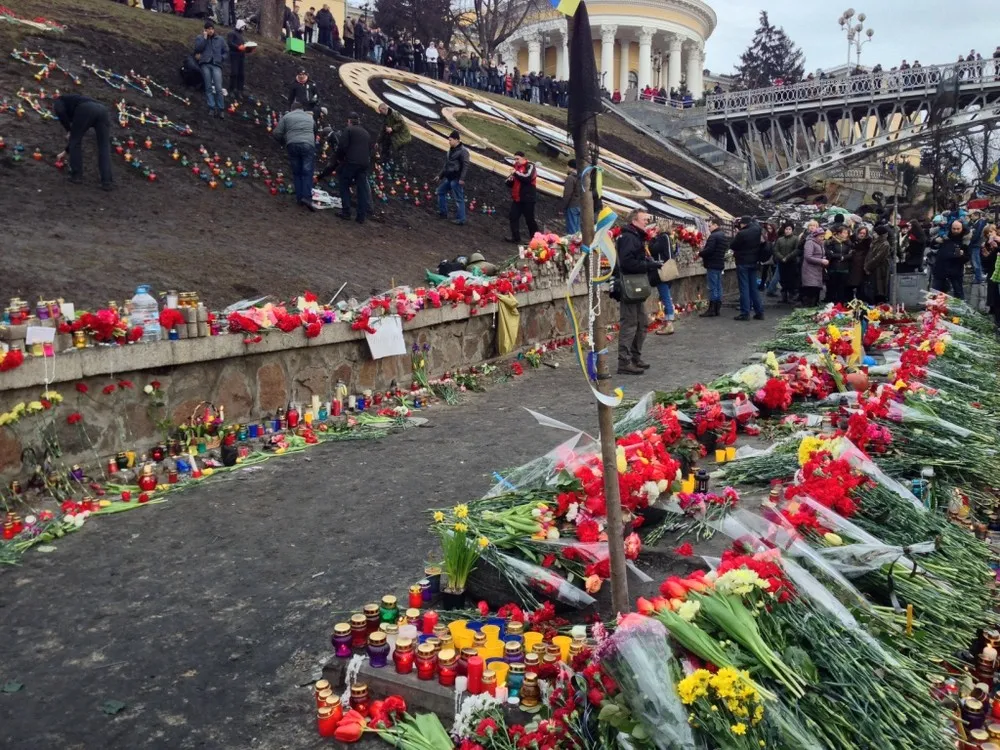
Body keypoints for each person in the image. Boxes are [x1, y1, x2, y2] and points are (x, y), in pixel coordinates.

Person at [613, 210, 661, 375]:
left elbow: (635, 258)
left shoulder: (635, 236)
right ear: (634, 220)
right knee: (630, 324)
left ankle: (635, 357)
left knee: (642, 323)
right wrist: (648, 265)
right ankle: (624, 361)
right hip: (629, 285)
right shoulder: (628, 237)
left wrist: (649, 262)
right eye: (644, 219)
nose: (647, 222)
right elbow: (627, 263)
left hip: (636, 285)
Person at [53, 94, 113, 190]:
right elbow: (75, 135)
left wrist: (68, 129)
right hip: (103, 110)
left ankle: (76, 176)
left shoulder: (59, 101)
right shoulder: (75, 100)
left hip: (86, 109)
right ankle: (107, 182)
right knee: (104, 145)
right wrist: (65, 151)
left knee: (76, 142)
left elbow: (60, 111)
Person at [273, 101, 316, 210]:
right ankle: (307, 197)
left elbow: (277, 133)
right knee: (307, 171)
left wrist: (284, 142)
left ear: (292, 109)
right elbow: (315, 130)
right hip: (308, 145)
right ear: (302, 109)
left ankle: (299, 198)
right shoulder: (309, 118)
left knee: (297, 172)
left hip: (292, 145)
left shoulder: (287, 117)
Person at [336, 112, 371, 224]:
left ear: (349, 121)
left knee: (344, 182)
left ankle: (346, 212)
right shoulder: (366, 133)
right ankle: (361, 216)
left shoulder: (349, 130)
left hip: (352, 162)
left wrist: (340, 159)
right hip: (364, 163)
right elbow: (370, 149)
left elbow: (342, 145)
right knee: (362, 188)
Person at [730, 216, 765, 320]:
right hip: (754, 262)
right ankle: (759, 312)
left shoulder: (742, 233)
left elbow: (733, 245)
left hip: (743, 262)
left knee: (744, 288)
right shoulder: (757, 230)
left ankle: (745, 312)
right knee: (753, 288)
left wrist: (737, 234)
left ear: (743, 224)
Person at [193, 21, 227, 117]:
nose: (210, 31)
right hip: (205, 64)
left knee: (218, 87)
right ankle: (211, 107)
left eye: (212, 29)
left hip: (216, 64)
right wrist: (204, 38)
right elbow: (198, 49)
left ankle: (221, 109)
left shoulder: (220, 39)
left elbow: (226, 51)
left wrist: (222, 58)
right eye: (208, 29)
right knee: (208, 87)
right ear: (205, 30)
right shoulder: (200, 38)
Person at [649, 220, 676, 335]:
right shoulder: (668, 237)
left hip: (662, 272)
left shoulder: (662, 237)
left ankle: (669, 323)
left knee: (666, 297)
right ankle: (667, 321)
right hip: (667, 270)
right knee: (666, 296)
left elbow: (653, 250)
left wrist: (652, 238)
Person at [697, 216, 728, 317]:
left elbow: (709, 250)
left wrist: (700, 253)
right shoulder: (722, 235)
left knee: (712, 287)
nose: (709, 228)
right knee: (718, 286)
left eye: (710, 226)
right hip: (719, 263)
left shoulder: (714, 236)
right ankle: (717, 309)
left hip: (712, 264)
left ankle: (712, 309)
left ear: (715, 225)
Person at [437, 131, 469, 225]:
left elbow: (466, 165)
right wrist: (440, 175)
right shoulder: (451, 149)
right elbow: (446, 165)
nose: (449, 142)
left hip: (457, 179)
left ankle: (461, 219)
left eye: (450, 140)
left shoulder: (463, 151)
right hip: (449, 177)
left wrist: (462, 179)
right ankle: (443, 213)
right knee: (440, 191)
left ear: (456, 140)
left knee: (459, 198)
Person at [505, 151, 538, 243]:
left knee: (530, 219)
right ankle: (516, 238)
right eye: (515, 159)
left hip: (528, 198)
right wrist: (509, 180)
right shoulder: (516, 167)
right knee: (513, 216)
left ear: (523, 158)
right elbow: (513, 181)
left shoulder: (530, 166)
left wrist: (515, 173)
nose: (516, 161)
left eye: (517, 159)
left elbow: (528, 177)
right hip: (517, 197)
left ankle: (536, 240)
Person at [932, 220, 969, 299]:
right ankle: (934, 309)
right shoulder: (945, 235)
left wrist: (962, 255)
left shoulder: (964, 240)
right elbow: (932, 245)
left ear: (962, 228)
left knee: (958, 292)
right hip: (940, 269)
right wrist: (935, 241)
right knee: (935, 292)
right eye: (954, 228)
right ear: (951, 228)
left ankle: (959, 309)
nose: (955, 231)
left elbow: (967, 257)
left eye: (958, 229)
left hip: (955, 270)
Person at [771, 222, 800, 304]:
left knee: (791, 280)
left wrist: (787, 257)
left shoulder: (795, 239)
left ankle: (791, 296)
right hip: (782, 263)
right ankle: (784, 298)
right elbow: (775, 250)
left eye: (789, 229)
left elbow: (797, 250)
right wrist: (781, 258)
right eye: (786, 229)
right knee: (782, 280)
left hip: (791, 262)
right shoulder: (780, 239)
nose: (787, 231)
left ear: (792, 230)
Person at [800, 221, 827, 307]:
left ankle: (812, 307)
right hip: (809, 270)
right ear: (816, 236)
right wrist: (821, 261)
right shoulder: (810, 242)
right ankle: (807, 307)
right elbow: (808, 257)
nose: (822, 238)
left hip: (817, 270)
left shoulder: (821, 243)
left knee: (815, 290)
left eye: (823, 236)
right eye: (820, 236)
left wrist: (824, 258)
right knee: (810, 289)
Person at [824, 225, 853, 304]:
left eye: (846, 233)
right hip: (833, 268)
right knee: (832, 286)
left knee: (842, 287)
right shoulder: (831, 242)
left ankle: (840, 302)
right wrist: (840, 256)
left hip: (844, 268)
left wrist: (843, 257)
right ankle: (831, 302)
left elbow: (850, 255)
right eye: (844, 233)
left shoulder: (848, 243)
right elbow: (829, 254)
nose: (845, 235)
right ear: (839, 233)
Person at [864, 224, 892, 304]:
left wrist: (868, 266)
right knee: (874, 286)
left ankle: (880, 303)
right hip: (874, 268)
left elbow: (878, 258)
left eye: (875, 233)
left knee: (880, 287)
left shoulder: (885, 244)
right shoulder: (875, 242)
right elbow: (870, 254)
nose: (873, 234)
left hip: (880, 268)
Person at [847, 225, 871, 301]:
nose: (862, 235)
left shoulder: (868, 243)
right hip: (852, 265)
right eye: (861, 233)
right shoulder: (851, 241)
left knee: (860, 284)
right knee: (850, 284)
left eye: (864, 233)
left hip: (862, 266)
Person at [226, 20, 248, 101]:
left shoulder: (240, 35)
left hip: (241, 56)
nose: (243, 28)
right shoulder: (232, 33)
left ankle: (239, 90)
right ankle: (231, 89)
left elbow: (243, 45)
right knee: (234, 72)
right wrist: (237, 47)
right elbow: (230, 43)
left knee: (241, 74)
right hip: (234, 55)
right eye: (242, 26)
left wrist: (247, 48)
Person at [561, 158, 581, 235]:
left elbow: (567, 194)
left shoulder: (570, 178)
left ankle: (572, 245)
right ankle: (578, 244)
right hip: (580, 206)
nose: (566, 168)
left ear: (571, 167)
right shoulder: (582, 178)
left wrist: (563, 206)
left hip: (572, 205)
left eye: (567, 166)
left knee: (571, 229)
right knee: (577, 228)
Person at [968, 209, 987, 284]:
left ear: (976, 215)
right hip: (975, 244)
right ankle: (979, 276)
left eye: (971, 215)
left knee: (976, 261)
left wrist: (971, 240)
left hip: (975, 244)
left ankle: (978, 278)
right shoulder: (976, 222)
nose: (970, 217)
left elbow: (977, 234)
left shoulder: (980, 223)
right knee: (975, 261)